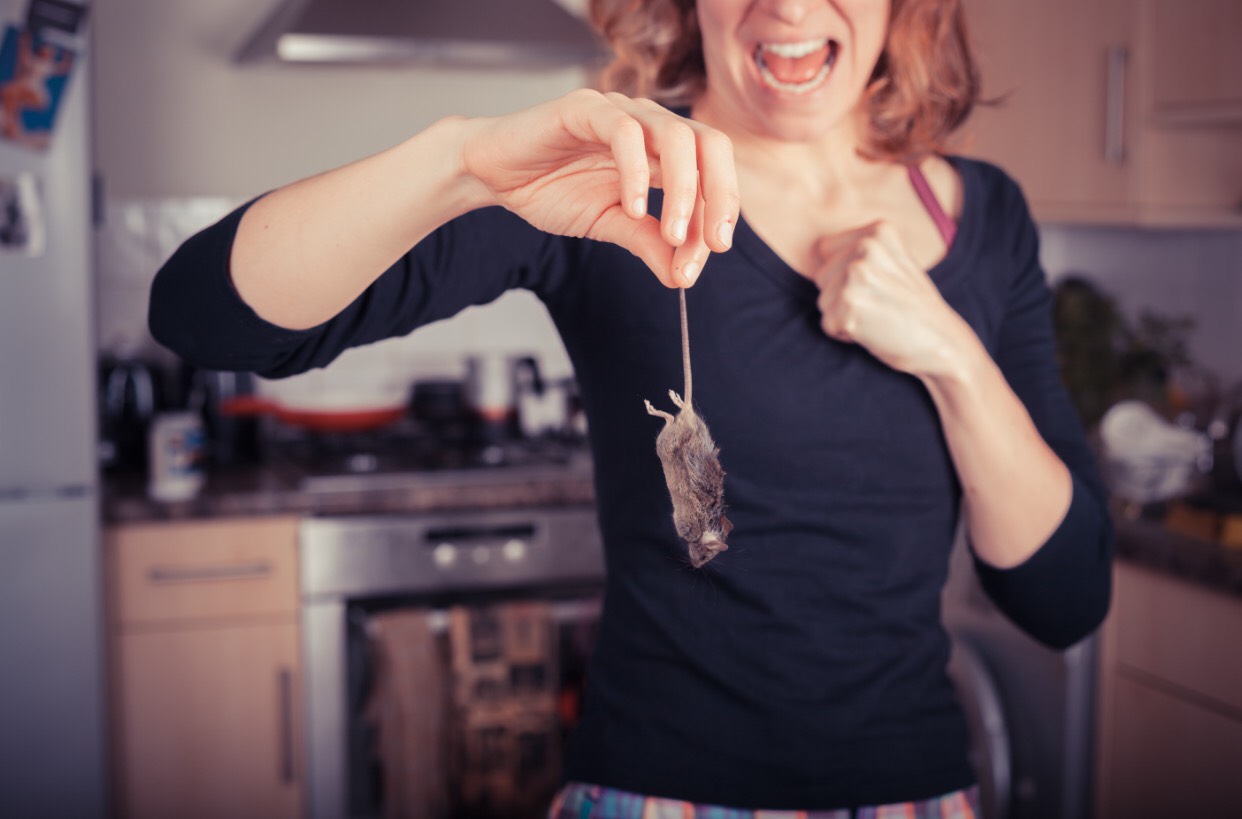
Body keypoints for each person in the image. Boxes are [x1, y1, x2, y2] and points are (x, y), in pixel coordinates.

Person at [149, 0, 1114, 815]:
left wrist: (948, 351)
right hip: (655, 791)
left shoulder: (986, 218)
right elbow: (208, 318)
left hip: (911, 789)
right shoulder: (613, 173)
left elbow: (1064, 598)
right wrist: (463, 160)